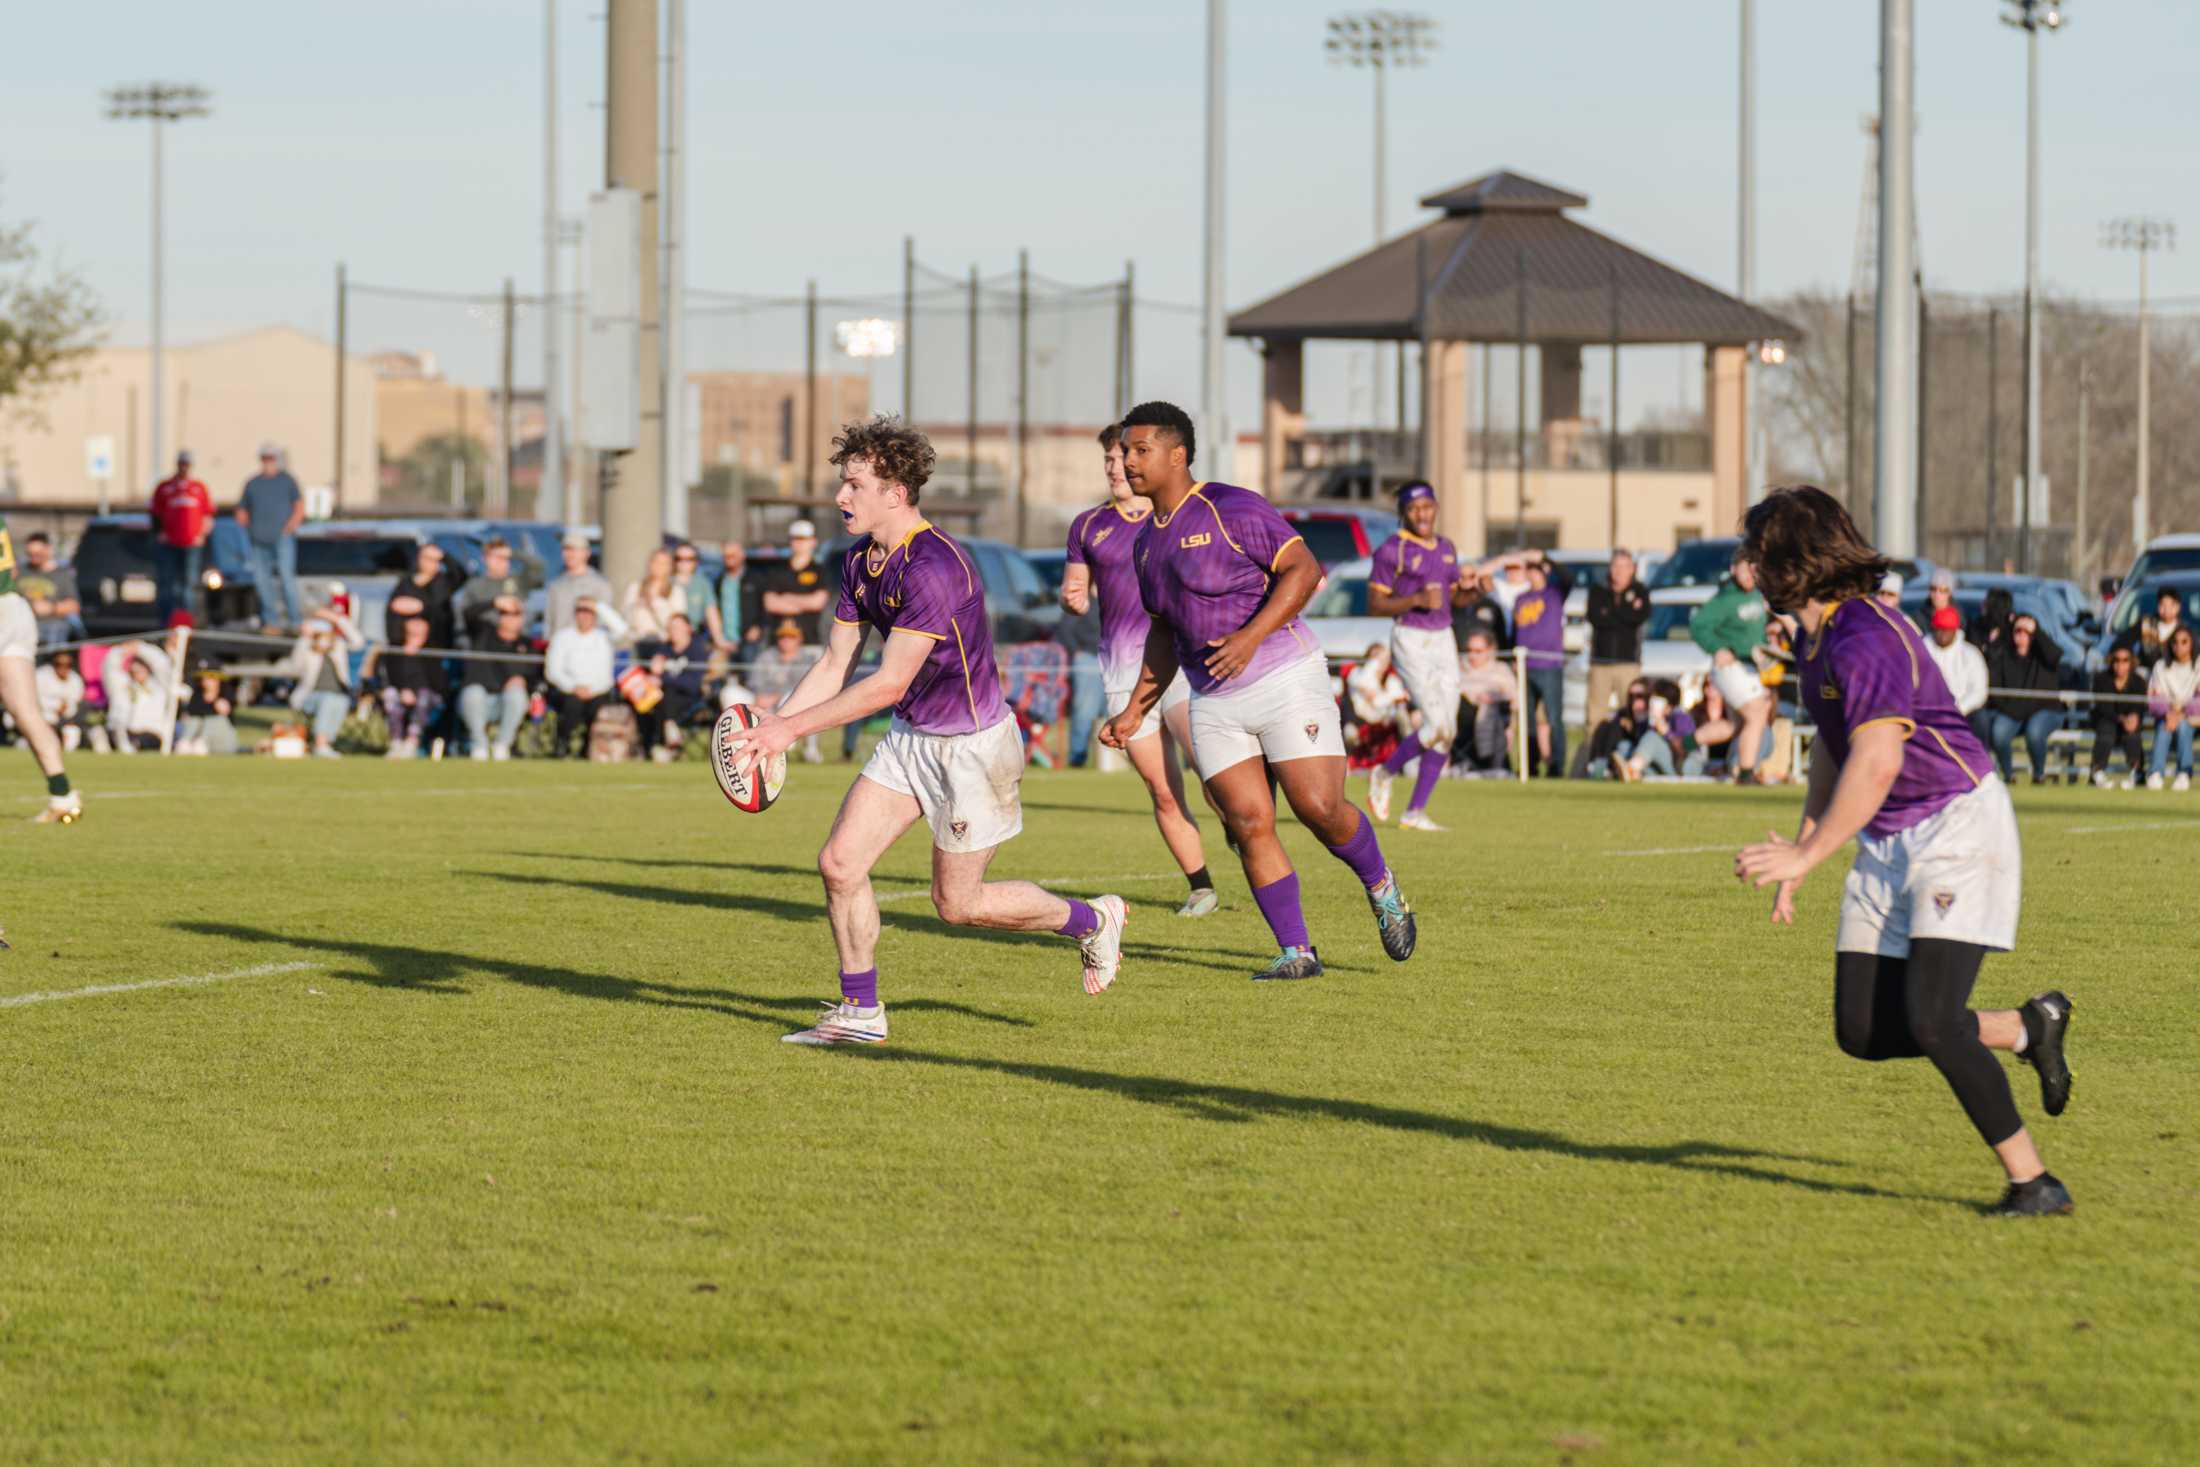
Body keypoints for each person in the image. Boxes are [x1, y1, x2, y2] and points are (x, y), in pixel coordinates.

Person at [722, 415, 1128, 1045]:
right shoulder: (861, 560)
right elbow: (836, 662)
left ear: (896, 491)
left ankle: (1090, 919)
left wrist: (789, 732)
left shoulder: (934, 568)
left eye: (855, 485)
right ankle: (860, 1013)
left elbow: (885, 683)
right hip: (912, 739)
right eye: (842, 483)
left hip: (971, 750)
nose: (841, 497)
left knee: (958, 905)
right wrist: (777, 724)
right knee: (839, 863)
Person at [1733, 485, 2075, 1218]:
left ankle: (2034, 1181)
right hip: (1890, 839)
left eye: (1758, 550)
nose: (1748, 564)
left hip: (1956, 829)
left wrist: (1810, 856)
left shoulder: (1864, 634)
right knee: (1861, 1029)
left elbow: (1880, 759)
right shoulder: (1816, 638)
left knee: (1931, 1017)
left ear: (1795, 559)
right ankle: (2027, 1027)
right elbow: (1837, 750)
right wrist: (1801, 847)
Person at [1099, 400, 1414, 982]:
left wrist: (1249, 637)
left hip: (1284, 677)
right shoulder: (1145, 543)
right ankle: (1298, 952)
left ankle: (1382, 886)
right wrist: (1133, 710)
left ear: (1178, 454)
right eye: (1124, 451)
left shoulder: (1230, 506)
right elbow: (1164, 634)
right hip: (1213, 699)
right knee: (1246, 823)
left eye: (1140, 450)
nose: (1127, 461)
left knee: (1319, 809)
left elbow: (1305, 570)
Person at [1063, 422, 1218, 912]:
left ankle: (1245, 829)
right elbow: (1076, 587)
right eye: (1108, 460)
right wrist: (1072, 599)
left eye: (1122, 457)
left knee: (1209, 767)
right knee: (1163, 789)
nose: (1115, 467)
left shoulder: (1173, 515)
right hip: (1122, 670)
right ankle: (1202, 887)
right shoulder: (1087, 525)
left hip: (1180, 661)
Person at [1363, 481, 1463, 831]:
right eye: (1414, 508)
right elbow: (1375, 603)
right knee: (1436, 726)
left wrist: (1475, 591)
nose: (1422, 514)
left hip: (1444, 638)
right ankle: (1384, 771)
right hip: (1411, 637)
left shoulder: (1447, 547)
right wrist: (1416, 600)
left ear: (1436, 507)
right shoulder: (1393, 549)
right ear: (1404, 513)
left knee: (1447, 732)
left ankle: (1414, 812)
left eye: (1427, 506)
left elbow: (1453, 599)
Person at [0, 516, 85, 821]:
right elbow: (11, 569)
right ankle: (62, 794)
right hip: (16, 609)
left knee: (26, 712)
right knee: (26, 712)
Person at [1689, 551, 1775, 784]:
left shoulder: (1757, 595)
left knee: (1737, 725)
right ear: (1734, 569)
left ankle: (1683, 743)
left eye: (1754, 569)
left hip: (1749, 667)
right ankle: (1746, 773)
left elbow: (1753, 631)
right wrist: (1717, 647)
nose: (1750, 575)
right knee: (1757, 712)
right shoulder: (1725, 599)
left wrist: (1768, 643)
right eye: (1746, 569)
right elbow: (1698, 625)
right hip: (1731, 667)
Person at [1982, 614, 2063, 785]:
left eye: (2027, 631)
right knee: (1999, 733)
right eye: (2017, 630)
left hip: (2044, 710)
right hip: (2012, 711)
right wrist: (2007, 627)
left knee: (2034, 733)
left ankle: (2039, 775)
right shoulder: (2004, 656)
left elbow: (2055, 655)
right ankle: (2008, 775)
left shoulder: (2043, 656)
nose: (2021, 635)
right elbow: (1994, 687)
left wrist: (2037, 630)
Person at [236, 443, 305, 631]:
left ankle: (295, 621)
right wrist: (249, 528)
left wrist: (290, 526)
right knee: (262, 581)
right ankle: (271, 621)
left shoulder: (287, 481)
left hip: (282, 538)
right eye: (265, 458)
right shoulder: (253, 483)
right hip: (258, 541)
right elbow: (242, 511)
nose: (268, 462)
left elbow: (299, 507)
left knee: (286, 578)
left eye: (271, 458)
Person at [545, 597, 625, 757]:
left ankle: (588, 749)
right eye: (580, 611)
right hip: (570, 690)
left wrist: (598, 606)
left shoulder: (603, 636)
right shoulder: (562, 637)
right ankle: (562, 746)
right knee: (572, 706)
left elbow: (622, 628)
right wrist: (573, 687)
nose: (584, 616)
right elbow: (553, 670)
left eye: (589, 612)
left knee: (597, 709)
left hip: (599, 690)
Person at [459, 595, 533, 761]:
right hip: (479, 700)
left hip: (505, 702)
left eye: (516, 614)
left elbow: (534, 674)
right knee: (474, 692)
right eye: (506, 613)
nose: (511, 618)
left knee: (517, 694)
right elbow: (468, 614)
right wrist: (494, 602)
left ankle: (502, 745)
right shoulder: (484, 633)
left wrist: (522, 680)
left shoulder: (527, 645)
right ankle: (479, 745)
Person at [1585, 548, 1651, 729]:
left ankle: (1629, 753)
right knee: (1595, 716)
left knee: (1631, 713)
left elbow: (1639, 617)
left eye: (1624, 566)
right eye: (1615, 566)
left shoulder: (1640, 591)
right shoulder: (1598, 591)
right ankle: (1594, 754)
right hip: (1600, 662)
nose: (1619, 571)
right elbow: (1596, 618)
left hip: (1628, 663)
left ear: (1632, 569)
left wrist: (1611, 611)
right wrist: (1626, 610)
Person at [287, 605, 364, 758]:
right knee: (330, 699)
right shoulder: (307, 647)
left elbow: (358, 641)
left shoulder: (338, 647)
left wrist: (336, 619)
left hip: (337, 695)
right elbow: (294, 668)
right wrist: (304, 639)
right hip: (309, 697)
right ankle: (321, 744)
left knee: (339, 700)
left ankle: (324, 743)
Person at [149, 449, 213, 625]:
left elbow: (207, 514)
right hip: (169, 543)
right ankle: (166, 622)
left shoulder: (198, 488)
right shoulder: (165, 487)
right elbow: (154, 513)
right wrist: (160, 533)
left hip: (191, 544)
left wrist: (201, 534)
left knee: (189, 585)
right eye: (181, 464)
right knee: (167, 585)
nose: (184, 467)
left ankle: (187, 622)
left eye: (187, 464)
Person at [746, 619, 824, 762]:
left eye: (791, 636)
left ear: (799, 638)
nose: (786, 640)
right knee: (730, 693)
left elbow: (806, 690)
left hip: (791, 707)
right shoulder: (766, 656)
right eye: (783, 636)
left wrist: (776, 697)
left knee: (795, 698)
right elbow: (753, 684)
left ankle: (809, 749)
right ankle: (739, 746)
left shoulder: (807, 660)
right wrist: (761, 697)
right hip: (762, 701)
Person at [636, 613, 710, 760]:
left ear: (688, 628)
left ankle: (664, 742)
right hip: (663, 699)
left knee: (667, 696)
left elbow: (692, 684)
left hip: (690, 699)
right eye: (670, 628)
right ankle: (658, 741)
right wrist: (655, 669)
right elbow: (654, 672)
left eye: (677, 627)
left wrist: (663, 678)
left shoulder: (697, 650)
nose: (673, 631)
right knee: (646, 703)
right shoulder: (664, 649)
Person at [377, 615, 448, 758]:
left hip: (428, 695)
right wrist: (404, 689)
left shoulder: (432, 651)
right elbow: (388, 676)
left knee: (423, 695)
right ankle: (396, 743)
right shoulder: (394, 650)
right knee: (390, 694)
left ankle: (412, 741)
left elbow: (437, 681)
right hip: (401, 692)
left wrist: (413, 689)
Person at [1054, 574, 1105, 767]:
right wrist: (1076, 653)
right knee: (1084, 711)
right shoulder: (1081, 601)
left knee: (1111, 709)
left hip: (1113, 659)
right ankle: (1078, 755)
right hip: (1087, 660)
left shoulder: (1113, 599)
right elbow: (1065, 630)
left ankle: (1114, 758)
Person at [757, 519, 831, 648]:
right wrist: (803, 604)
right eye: (795, 538)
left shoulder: (819, 570)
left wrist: (787, 598)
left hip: (809, 642)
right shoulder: (777, 569)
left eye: (804, 539)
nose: (799, 543)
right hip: (777, 644)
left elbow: (818, 602)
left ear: (813, 541)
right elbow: (770, 603)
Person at [2144, 625, 2200, 791]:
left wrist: (2181, 714)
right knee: (2164, 727)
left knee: (2183, 726)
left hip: (2193, 719)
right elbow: (2154, 700)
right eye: (2175, 642)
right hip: (2167, 717)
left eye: (2184, 642)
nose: (2179, 646)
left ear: (2192, 644)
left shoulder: (2198, 665)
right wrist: (2169, 713)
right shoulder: (2160, 667)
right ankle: (2156, 774)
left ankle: (2184, 773)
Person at [1455, 628, 1515, 774]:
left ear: (1490, 650)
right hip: (1458, 716)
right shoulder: (1458, 669)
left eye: (1478, 651)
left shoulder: (1501, 670)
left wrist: (1494, 697)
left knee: (1489, 712)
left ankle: (1487, 760)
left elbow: (1514, 697)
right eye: (1469, 650)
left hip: (1489, 716)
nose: (1472, 655)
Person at [2089, 645, 2147, 789]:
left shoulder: (2138, 681)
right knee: (2106, 729)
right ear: (2111, 661)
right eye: (2116, 660)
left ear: (2131, 662)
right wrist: (2121, 719)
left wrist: (2134, 717)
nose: (2120, 664)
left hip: (2129, 723)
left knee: (2133, 732)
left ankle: (2136, 772)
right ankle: (2098, 772)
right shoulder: (2101, 679)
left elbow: (2140, 706)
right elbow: (2103, 707)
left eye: (2125, 660)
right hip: (2107, 720)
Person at [453, 537, 526, 647]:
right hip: (482, 644)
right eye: (496, 557)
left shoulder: (517, 580)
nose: (501, 561)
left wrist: (514, 553)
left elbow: (538, 567)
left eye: (504, 558)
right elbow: (463, 615)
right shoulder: (475, 585)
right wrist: (494, 603)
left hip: (511, 644)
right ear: (485, 558)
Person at [385, 542, 457, 650]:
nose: (429, 562)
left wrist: (444, 556)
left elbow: (460, 574)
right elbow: (393, 608)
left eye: (434, 559)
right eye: (426, 558)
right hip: (406, 646)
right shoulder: (406, 582)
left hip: (435, 645)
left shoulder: (443, 582)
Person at [1924, 605, 1989, 720]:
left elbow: (1979, 691)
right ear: (1933, 628)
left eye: (1947, 628)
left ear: (1955, 629)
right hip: (1928, 709)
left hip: (1963, 710)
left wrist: (1959, 709)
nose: (1943, 633)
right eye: (1939, 628)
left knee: (1981, 719)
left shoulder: (1970, 654)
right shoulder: (1921, 650)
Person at [18, 533, 83, 647]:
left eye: (38, 554)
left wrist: (51, 608)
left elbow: (74, 606)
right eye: (30, 554)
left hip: (51, 626)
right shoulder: (20, 571)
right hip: (22, 624)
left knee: (56, 629)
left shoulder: (62, 574)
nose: (34, 557)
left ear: (48, 550)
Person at [545, 531, 612, 635]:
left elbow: (605, 621)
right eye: (565, 549)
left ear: (586, 553)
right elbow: (549, 622)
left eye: (574, 550)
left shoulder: (600, 585)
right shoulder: (556, 585)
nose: (569, 554)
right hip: (561, 645)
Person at [2114, 586, 2186, 673]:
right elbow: (2123, 641)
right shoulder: (2145, 623)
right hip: (2146, 674)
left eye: (2171, 605)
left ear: (2178, 607)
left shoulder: (2184, 631)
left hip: (2174, 675)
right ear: (2157, 605)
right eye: (2162, 604)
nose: (2167, 609)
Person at [34, 650, 90, 752]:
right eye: (59, 664)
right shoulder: (41, 675)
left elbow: (75, 701)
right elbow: (35, 698)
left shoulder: (75, 679)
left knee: (72, 731)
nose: (63, 668)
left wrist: (65, 709)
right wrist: (56, 706)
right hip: (40, 717)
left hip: (64, 718)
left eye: (68, 665)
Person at [623, 547, 683, 643]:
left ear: (670, 567)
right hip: (638, 641)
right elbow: (626, 617)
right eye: (656, 562)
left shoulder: (676, 591)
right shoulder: (635, 587)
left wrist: (655, 604)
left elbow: (678, 623)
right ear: (649, 564)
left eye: (664, 563)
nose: (659, 566)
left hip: (664, 643)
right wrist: (636, 607)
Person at [176, 669, 239, 756]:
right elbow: (193, 711)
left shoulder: (226, 695)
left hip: (221, 740)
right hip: (196, 734)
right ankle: (186, 741)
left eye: (210, 678)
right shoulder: (197, 696)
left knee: (215, 720)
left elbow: (225, 712)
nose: (205, 681)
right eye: (203, 678)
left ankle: (201, 742)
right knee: (194, 721)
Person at [710, 539, 751, 654]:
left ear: (742, 555)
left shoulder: (755, 579)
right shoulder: (719, 581)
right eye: (726, 556)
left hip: (749, 640)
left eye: (733, 555)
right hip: (725, 641)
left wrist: (758, 627)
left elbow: (763, 606)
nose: (729, 559)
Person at [672, 542, 714, 633]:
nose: (684, 562)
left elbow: (711, 613)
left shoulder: (702, 584)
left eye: (689, 559)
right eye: (679, 559)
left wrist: (719, 638)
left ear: (696, 562)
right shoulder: (668, 582)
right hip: (671, 637)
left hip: (695, 634)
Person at [1913, 567, 1962, 639]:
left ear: (1950, 592)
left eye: (1942, 590)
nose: (1937, 594)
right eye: (1933, 589)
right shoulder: (1919, 616)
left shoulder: (1960, 616)